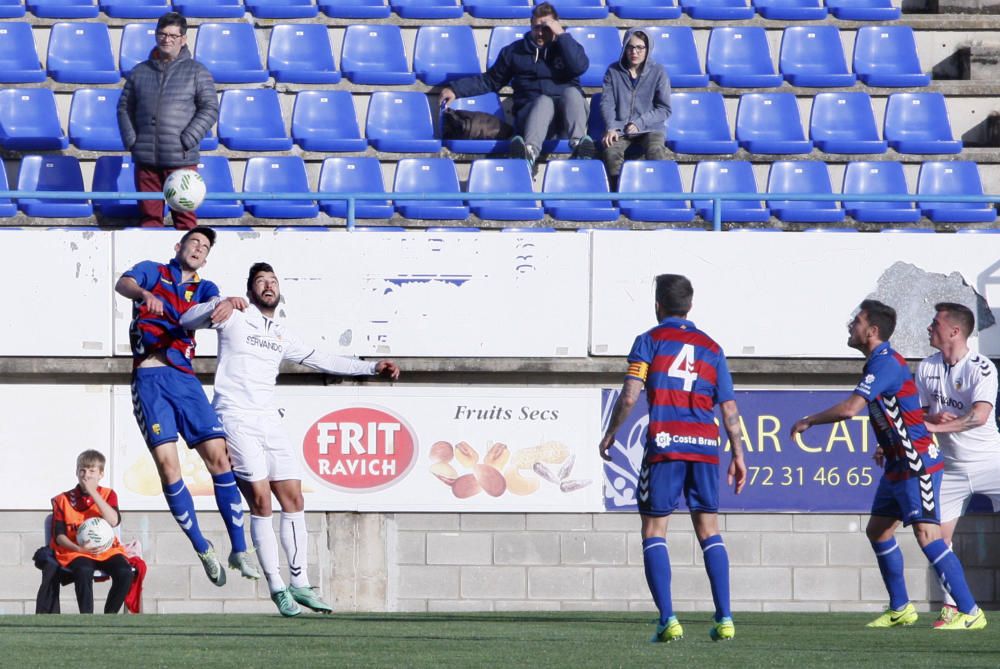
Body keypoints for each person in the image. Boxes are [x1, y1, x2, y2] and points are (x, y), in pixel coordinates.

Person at [181, 262, 401, 616]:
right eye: (260, 281)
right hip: (235, 417)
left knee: (294, 498)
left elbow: (323, 360)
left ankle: (300, 583)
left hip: (270, 420)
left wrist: (371, 367)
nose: (267, 286)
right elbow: (185, 320)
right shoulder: (234, 315)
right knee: (261, 501)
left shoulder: (281, 333)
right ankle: (277, 585)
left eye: (272, 281)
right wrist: (214, 305)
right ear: (250, 290)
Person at [790, 299, 986, 630]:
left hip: (917, 463)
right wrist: (887, 444)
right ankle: (901, 608)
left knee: (928, 535)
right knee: (878, 531)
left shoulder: (886, 363)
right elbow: (899, 411)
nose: (852, 325)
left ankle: (970, 611)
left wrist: (809, 421)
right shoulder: (879, 364)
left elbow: (850, 409)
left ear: (873, 330)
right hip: (897, 463)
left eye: (857, 320)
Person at [599, 274, 747, 643]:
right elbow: (728, 407)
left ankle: (668, 619)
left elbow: (631, 395)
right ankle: (725, 617)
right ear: (690, 306)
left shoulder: (649, 341)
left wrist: (612, 431)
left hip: (665, 444)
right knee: (709, 530)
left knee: (654, 530)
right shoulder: (712, 348)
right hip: (704, 446)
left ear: (657, 305)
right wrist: (738, 454)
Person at [115, 226, 260, 587]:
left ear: (206, 258)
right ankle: (202, 547)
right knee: (168, 468)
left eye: (204, 246)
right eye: (194, 242)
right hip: (150, 379)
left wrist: (225, 303)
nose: (198, 248)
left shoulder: (205, 288)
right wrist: (144, 294)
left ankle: (239, 548)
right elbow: (123, 284)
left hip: (185, 380)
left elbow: (203, 314)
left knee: (219, 458)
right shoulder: (154, 271)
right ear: (179, 246)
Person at [916, 302, 1000, 627]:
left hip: (991, 463)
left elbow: (980, 416)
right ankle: (954, 608)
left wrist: (936, 427)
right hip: (950, 468)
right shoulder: (927, 367)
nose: (928, 327)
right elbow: (921, 416)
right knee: (934, 536)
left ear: (954, 331)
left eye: (935, 323)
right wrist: (931, 419)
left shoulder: (982, 368)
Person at [438, 2, 594, 172]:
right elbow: (491, 80)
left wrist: (563, 36)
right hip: (533, 117)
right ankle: (529, 153)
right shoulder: (514, 52)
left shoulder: (567, 47)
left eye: (546, 28)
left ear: (557, 26)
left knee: (572, 92)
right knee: (544, 101)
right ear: (530, 26)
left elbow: (580, 66)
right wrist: (456, 89)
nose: (540, 33)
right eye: (536, 28)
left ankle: (579, 146)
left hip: (566, 120)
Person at [117, 12, 218, 229]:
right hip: (146, 161)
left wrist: (187, 139)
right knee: (149, 221)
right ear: (155, 35)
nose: (167, 40)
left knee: (185, 221)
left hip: (181, 161)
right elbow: (124, 107)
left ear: (183, 39)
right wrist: (132, 140)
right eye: (162, 34)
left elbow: (210, 108)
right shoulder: (139, 72)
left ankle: (185, 264)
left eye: (173, 35)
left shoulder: (197, 72)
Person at [50, 450, 134, 614]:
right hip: (77, 551)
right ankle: (87, 618)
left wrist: (93, 492)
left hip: (107, 550)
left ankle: (109, 617)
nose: (86, 474)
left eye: (91, 470)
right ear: (76, 472)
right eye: (82, 470)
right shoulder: (63, 499)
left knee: (124, 572)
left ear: (101, 473)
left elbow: (113, 521)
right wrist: (79, 549)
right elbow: (59, 536)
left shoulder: (108, 494)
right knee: (83, 571)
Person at [600, 29, 671, 191]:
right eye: (630, 47)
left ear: (648, 49)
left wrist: (640, 123)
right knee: (611, 151)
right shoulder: (613, 71)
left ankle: (656, 192)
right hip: (620, 128)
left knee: (656, 150)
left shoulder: (659, 71)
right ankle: (617, 193)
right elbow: (607, 103)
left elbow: (664, 109)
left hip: (650, 128)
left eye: (640, 48)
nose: (634, 52)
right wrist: (611, 127)